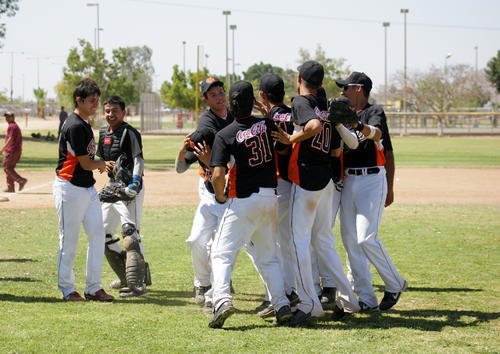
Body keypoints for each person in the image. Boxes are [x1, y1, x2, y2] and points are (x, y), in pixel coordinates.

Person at [272, 60, 360, 325]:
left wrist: (290, 139)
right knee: (323, 241)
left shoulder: (303, 102)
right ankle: (350, 299)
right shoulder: (325, 106)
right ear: (321, 83)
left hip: (307, 178)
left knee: (299, 241)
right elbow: (337, 147)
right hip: (326, 181)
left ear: (299, 77)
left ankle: (310, 303)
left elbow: (312, 127)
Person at [208, 81, 292, 328]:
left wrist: (220, 196)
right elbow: (283, 143)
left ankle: (222, 300)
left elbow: (216, 175)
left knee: (222, 253)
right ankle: (281, 304)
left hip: (243, 199)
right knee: (269, 257)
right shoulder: (266, 124)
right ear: (252, 101)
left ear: (231, 104)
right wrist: (263, 112)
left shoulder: (225, 134)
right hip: (270, 198)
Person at [336, 71, 407, 311]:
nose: (342, 91)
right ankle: (366, 298)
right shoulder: (341, 114)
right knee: (350, 241)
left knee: (366, 237)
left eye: (346, 88)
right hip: (348, 181)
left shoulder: (374, 112)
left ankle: (395, 282)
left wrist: (391, 186)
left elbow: (380, 141)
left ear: (358, 89)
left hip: (372, 180)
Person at [53, 78, 114, 302]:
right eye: (91, 101)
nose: (95, 105)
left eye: (97, 100)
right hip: (69, 188)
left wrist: (98, 163)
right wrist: (102, 164)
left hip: (86, 188)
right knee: (69, 239)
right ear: (78, 100)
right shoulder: (75, 125)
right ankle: (67, 289)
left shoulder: (84, 123)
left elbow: (87, 162)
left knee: (97, 234)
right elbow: (87, 163)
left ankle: (93, 287)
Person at [175, 77, 233, 309]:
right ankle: (202, 283)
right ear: (206, 99)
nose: (219, 96)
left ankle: (221, 281)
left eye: (221, 91)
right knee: (198, 239)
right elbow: (181, 168)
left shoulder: (234, 117)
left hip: (234, 189)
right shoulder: (206, 124)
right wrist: (182, 151)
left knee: (232, 244)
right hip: (209, 191)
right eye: (213, 94)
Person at [252, 73, 299, 319]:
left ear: (262, 95)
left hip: (278, 183)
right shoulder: (294, 113)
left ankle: (283, 293)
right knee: (287, 240)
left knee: (273, 242)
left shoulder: (268, 120)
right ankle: (290, 290)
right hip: (295, 183)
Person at [97, 95, 150, 298]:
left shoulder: (130, 132)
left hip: (129, 188)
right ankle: (126, 276)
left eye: (115, 111)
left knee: (130, 234)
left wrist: (135, 182)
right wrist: (104, 164)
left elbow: (138, 159)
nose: (111, 114)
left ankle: (137, 285)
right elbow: (104, 159)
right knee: (102, 233)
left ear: (124, 112)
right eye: (108, 111)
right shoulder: (102, 133)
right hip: (112, 187)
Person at [1, 112, 27, 193]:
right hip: (14, 150)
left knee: (7, 168)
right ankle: (10, 188)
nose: (7, 118)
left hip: (12, 150)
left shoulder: (12, 126)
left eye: (9, 117)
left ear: (13, 117)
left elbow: (11, 139)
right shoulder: (13, 126)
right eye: (6, 117)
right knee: (9, 168)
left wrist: (2, 149)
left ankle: (21, 180)